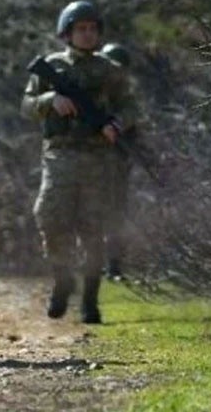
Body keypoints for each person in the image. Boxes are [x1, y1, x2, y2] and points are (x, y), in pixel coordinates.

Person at [20, 0, 137, 324]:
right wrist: (50, 100)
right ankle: (62, 278)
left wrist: (117, 125)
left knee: (92, 228)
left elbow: (130, 106)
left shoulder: (110, 70)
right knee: (49, 216)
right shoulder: (52, 66)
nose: (87, 35)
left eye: (92, 29)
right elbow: (26, 105)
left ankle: (90, 299)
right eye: (80, 29)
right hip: (60, 154)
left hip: (98, 158)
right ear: (67, 33)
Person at [97, 42, 134, 281]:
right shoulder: (95, 95)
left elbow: (132, 125)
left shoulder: (124, 100)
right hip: (90, 163)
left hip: (116, 164)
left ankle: (113, 265)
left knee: (115, 215)